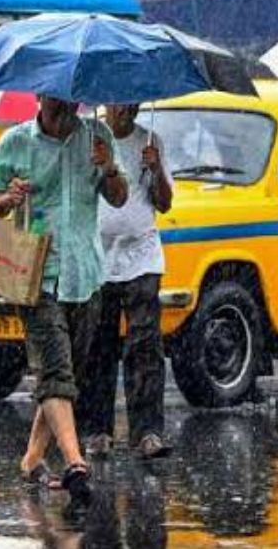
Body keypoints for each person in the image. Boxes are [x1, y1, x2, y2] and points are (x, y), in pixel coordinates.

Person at [0, 95, 128, 504]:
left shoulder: (97, 136)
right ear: (39, 96)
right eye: (54, 99)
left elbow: (119, 197)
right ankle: (75, 462)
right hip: (37, 274)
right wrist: (7, 199)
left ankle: (32, 458)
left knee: (65, 377)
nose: (64, 107)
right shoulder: (16, 142)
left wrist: (109, 168)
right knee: (55, 370)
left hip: (85, 272)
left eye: (70, 99)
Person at [78, 103, 173, 459]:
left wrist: (156, 169)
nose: (127, 110)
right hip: (98, 258)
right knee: (98, 346)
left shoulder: (151, 141)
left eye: (132, 104)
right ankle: (97, 430)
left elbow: (164, 204)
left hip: (142, 257)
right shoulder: (88, 139)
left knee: (145, 345)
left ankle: (147, 432)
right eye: (120, 104)